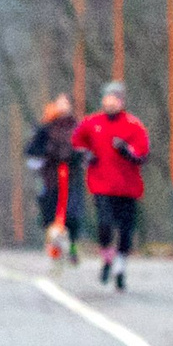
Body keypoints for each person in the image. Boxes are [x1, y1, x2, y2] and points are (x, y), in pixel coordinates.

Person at [71, 81, 153, 291]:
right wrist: (86, 155)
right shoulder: (92, 122)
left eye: (115, 99)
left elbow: (142, 154)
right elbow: (77, 142)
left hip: (128, 187)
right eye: (107, 98)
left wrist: (126, 151)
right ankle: (107, 257)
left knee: (125, 229)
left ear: (122, 101)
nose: (111, 103)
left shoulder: (133, 125)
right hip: (102, 184)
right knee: (105, 224)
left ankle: (120, 266)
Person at [22, 96, 82, 263]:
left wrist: (79, 156)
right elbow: (31, 150)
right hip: (50, 178)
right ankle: (54, 247)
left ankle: (72, 247)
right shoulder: (46, 128)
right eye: (60, 103)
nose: (63, 107)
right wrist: (44, 153)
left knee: (72, 216)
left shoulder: (77, 127)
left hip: (71, 177)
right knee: (50, 214)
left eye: (66, 104)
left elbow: (85, 148)